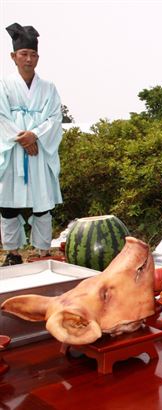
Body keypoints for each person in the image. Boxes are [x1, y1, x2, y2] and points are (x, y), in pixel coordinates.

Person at [0, 23, 63, 266]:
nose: (29, 59)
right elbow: (2, 117)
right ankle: (12, 252)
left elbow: (55, 118)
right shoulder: (4, 85)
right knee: (8, 204)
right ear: (13, 56)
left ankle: (41, 251)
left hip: (39, 150)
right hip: (12, 150)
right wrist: (22, 138)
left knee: (42, 203)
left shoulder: (48, 88)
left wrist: (35, 135)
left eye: (33, 54)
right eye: (24, 54)